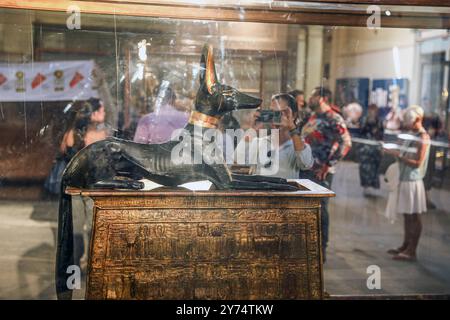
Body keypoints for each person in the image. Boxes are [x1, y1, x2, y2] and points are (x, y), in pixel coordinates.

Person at [300, 87, 352, 261]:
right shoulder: (312, 116)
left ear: (322, 98)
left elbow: (346, 143)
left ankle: (321, 249)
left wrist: (328, 165)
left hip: (320, 172)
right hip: (306, 169)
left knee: (321, 210)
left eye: (313, 95)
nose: (310, 98)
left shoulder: (333, 118)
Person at [59, 98, 108, 269]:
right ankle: (91, 259)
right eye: (102, 111)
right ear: (93, 115)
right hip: (92, 187)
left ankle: (76, 262)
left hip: (73, 186)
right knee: (92, 225)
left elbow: (64, 153)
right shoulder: (101, 135)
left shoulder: (71, 133)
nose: (105, 113)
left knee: (76, 227)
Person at [384, 105, 430, 261]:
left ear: (417, 119)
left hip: (413, 180)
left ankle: (412, 250)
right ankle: (406, 245)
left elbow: (418, 162)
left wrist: (399, 155)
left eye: (408, 121)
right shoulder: (412, 134)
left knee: (414, 216)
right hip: (405, 179)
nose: (406, 124)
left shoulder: (422, 137)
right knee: (407, 214)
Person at [247, 93, 314, 179]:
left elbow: (305, 164)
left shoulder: (298, 146)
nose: (275, 118)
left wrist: (291, 127)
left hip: (286, 192)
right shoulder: (259, 142)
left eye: (280, 113)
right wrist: (252, 129)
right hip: (260, 192)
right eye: (272, 113)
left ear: (293, 115)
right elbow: (238, 160)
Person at [358, 104, 384, 196]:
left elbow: (381, 134)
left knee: (375, 167)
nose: (372, 112)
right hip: (365, 148)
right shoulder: (364, 120)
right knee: (365, 167)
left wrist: (381, 147)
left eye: (374, 110)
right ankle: (366, 186)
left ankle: (373, 185)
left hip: (375, 147)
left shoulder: (379, 121)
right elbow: (360, 132)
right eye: (370, 110)